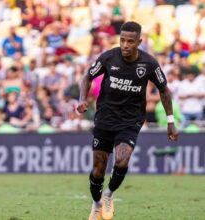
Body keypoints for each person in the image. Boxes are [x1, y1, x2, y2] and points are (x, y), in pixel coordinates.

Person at [76, 21, 179, 220]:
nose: (125, 45)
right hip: (105, 119)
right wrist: (81, 99)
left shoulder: (149, 64)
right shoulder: (108, 57)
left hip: (130, 121)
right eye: (122, 40)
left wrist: (170, 121)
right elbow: (87, 77)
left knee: (122, 161)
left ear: (139, 42)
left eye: (130, 41)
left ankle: (108, 195)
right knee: (98, 171)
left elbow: (164, 90)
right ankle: (96, 204)